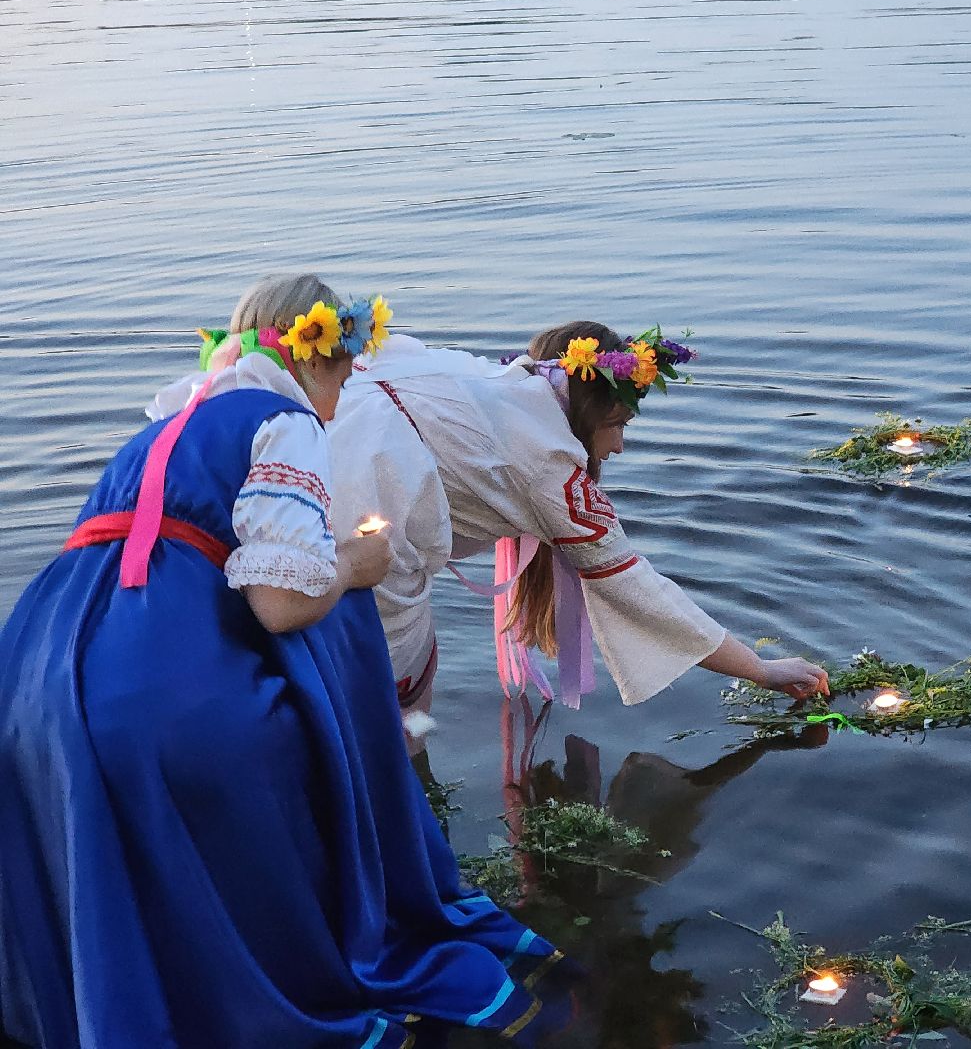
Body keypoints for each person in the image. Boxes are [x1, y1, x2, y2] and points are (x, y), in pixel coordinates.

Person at [0, 274, 573, 1048]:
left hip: (33, 677)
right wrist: (356, 564)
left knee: (109, 849)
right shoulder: (283, 417)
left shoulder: (160, 430)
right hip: (155, 686)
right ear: (315, 354)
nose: (349, 381)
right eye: (344, 363)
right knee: (289, 768)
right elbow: (280, 603)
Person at [326, 321, 828, 753]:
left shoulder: (493, 378)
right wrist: (761, 670)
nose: (620, 446)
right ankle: (403, 803)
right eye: (615, 425)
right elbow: (636, 587)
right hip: (371, 524)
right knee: (399, 696)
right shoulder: (551, 470)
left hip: (308, 468)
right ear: (587, 414)